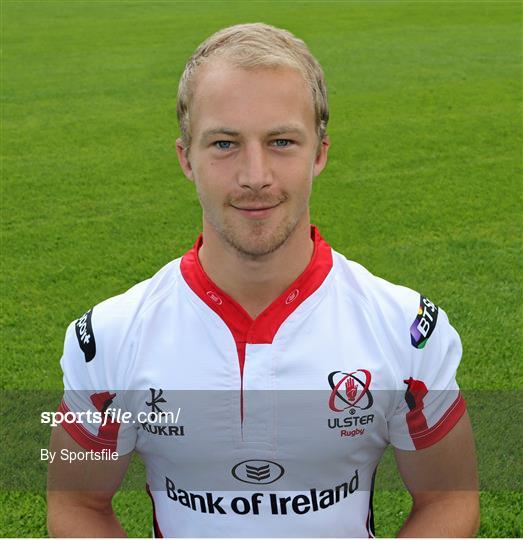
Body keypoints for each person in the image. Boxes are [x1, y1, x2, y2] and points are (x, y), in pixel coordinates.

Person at [47, 23, 479, 537]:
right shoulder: (111, 339)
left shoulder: (405, 329)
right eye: (225, 143)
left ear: (319, 152)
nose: (255, 175)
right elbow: (76, 505)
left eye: (281, 141)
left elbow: (449, 502)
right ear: (187, 158)